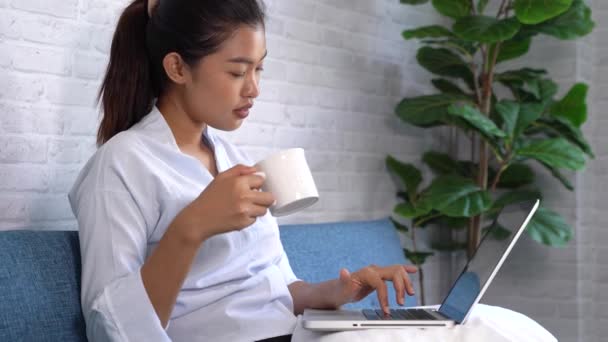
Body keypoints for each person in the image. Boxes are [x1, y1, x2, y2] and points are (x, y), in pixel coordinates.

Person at [68, 0, 417, 341]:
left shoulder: (235, 161)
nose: (254, 89)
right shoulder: (121, 166)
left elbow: (278, 289)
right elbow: (109, 327)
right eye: (237, 71)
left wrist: (337, 291)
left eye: (258, 69)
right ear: (177, 68)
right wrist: (192, 227)